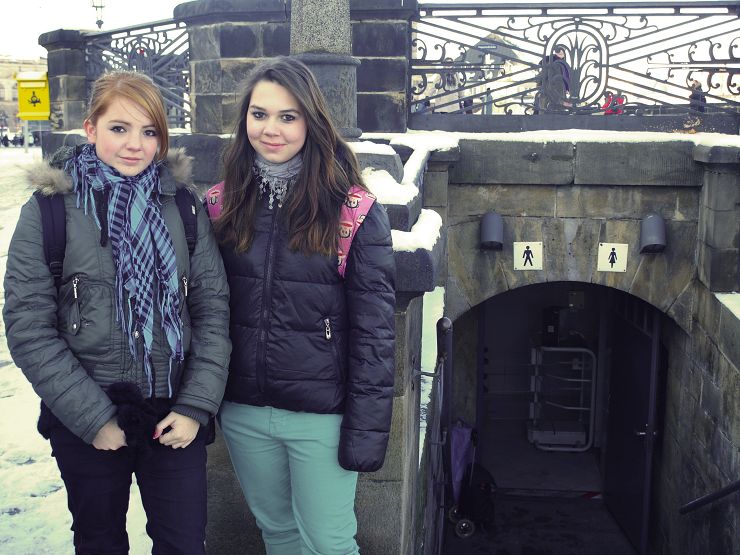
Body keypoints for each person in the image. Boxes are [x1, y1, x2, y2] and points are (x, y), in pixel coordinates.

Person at [3, 71, 231, 554]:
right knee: (99, 542)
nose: (135, 145)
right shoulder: (50, 211)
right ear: (91, 129)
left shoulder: (183, 206)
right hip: (87, 410)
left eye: (149, 132)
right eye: (119, 128)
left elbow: (212, 310)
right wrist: (94, 419)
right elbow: (29, 327)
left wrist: (195, 406)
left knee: (184, 543)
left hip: (173, 408)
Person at [209, 56, 396, 554]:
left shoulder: (351, 210)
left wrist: (365, 430)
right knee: (278, 534)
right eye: (259, 114)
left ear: (311, 121)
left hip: (321, 415)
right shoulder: (221, 204)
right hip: (244, 408)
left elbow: (375, 335)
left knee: (329, 544)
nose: (270, 129)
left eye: (287, 116)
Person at [535, 46, 572, 113]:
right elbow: (547, 85)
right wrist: (562, 102)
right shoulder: (551, 63)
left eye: (563, 50)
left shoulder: (563, 64)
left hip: (556, 102)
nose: (561, 52)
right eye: (559, 50)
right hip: (548, 102)